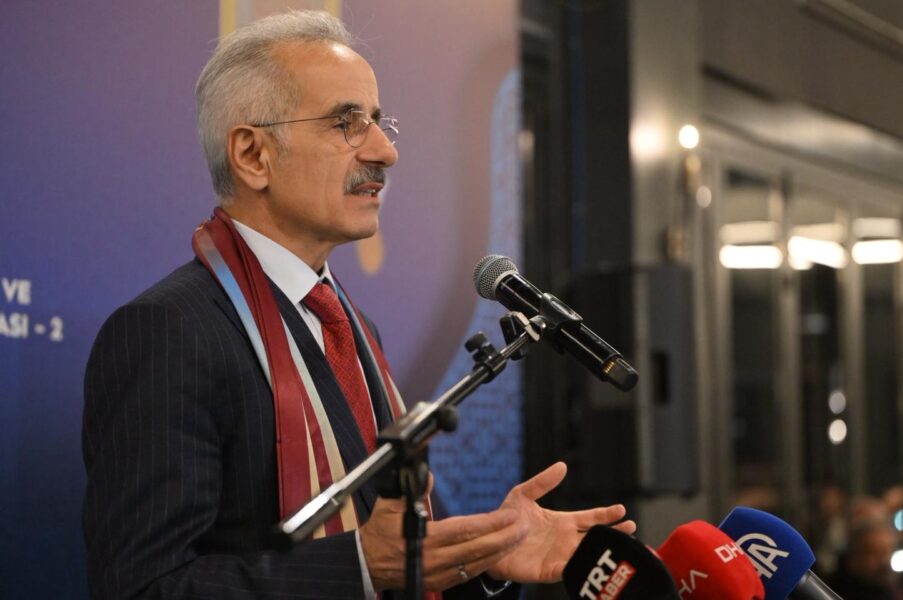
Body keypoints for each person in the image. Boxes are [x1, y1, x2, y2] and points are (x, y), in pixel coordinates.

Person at [82, 10, 634, 599]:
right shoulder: (169, 332)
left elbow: (391, 558)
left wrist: (484, 558)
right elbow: (142, 588)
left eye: (377, 120)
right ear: (252, 155)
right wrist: (362, 568)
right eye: (346, 123)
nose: (385, 151)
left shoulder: (351, 326)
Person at [828, 518, 903, 600]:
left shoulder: (895, 587)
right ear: (854, 558)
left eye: (887, 551)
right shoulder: (832, 592)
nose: (884, 561)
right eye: (874, 553)